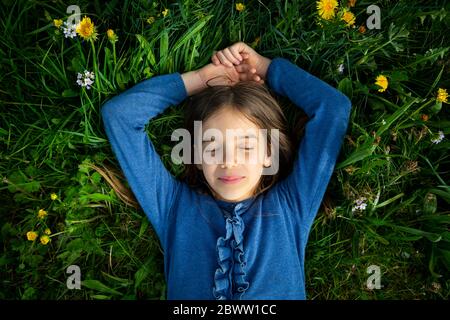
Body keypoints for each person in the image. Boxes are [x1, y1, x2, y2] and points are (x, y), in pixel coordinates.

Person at [100, 42, 352, 300]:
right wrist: (200, 79)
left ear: (269, 154)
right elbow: (120, 116)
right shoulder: (173, 207)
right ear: (195, 155)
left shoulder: (292, 206)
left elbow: (333, 108)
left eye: (245, 146)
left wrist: (266, 67)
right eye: (211, 146)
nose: (228, 161)